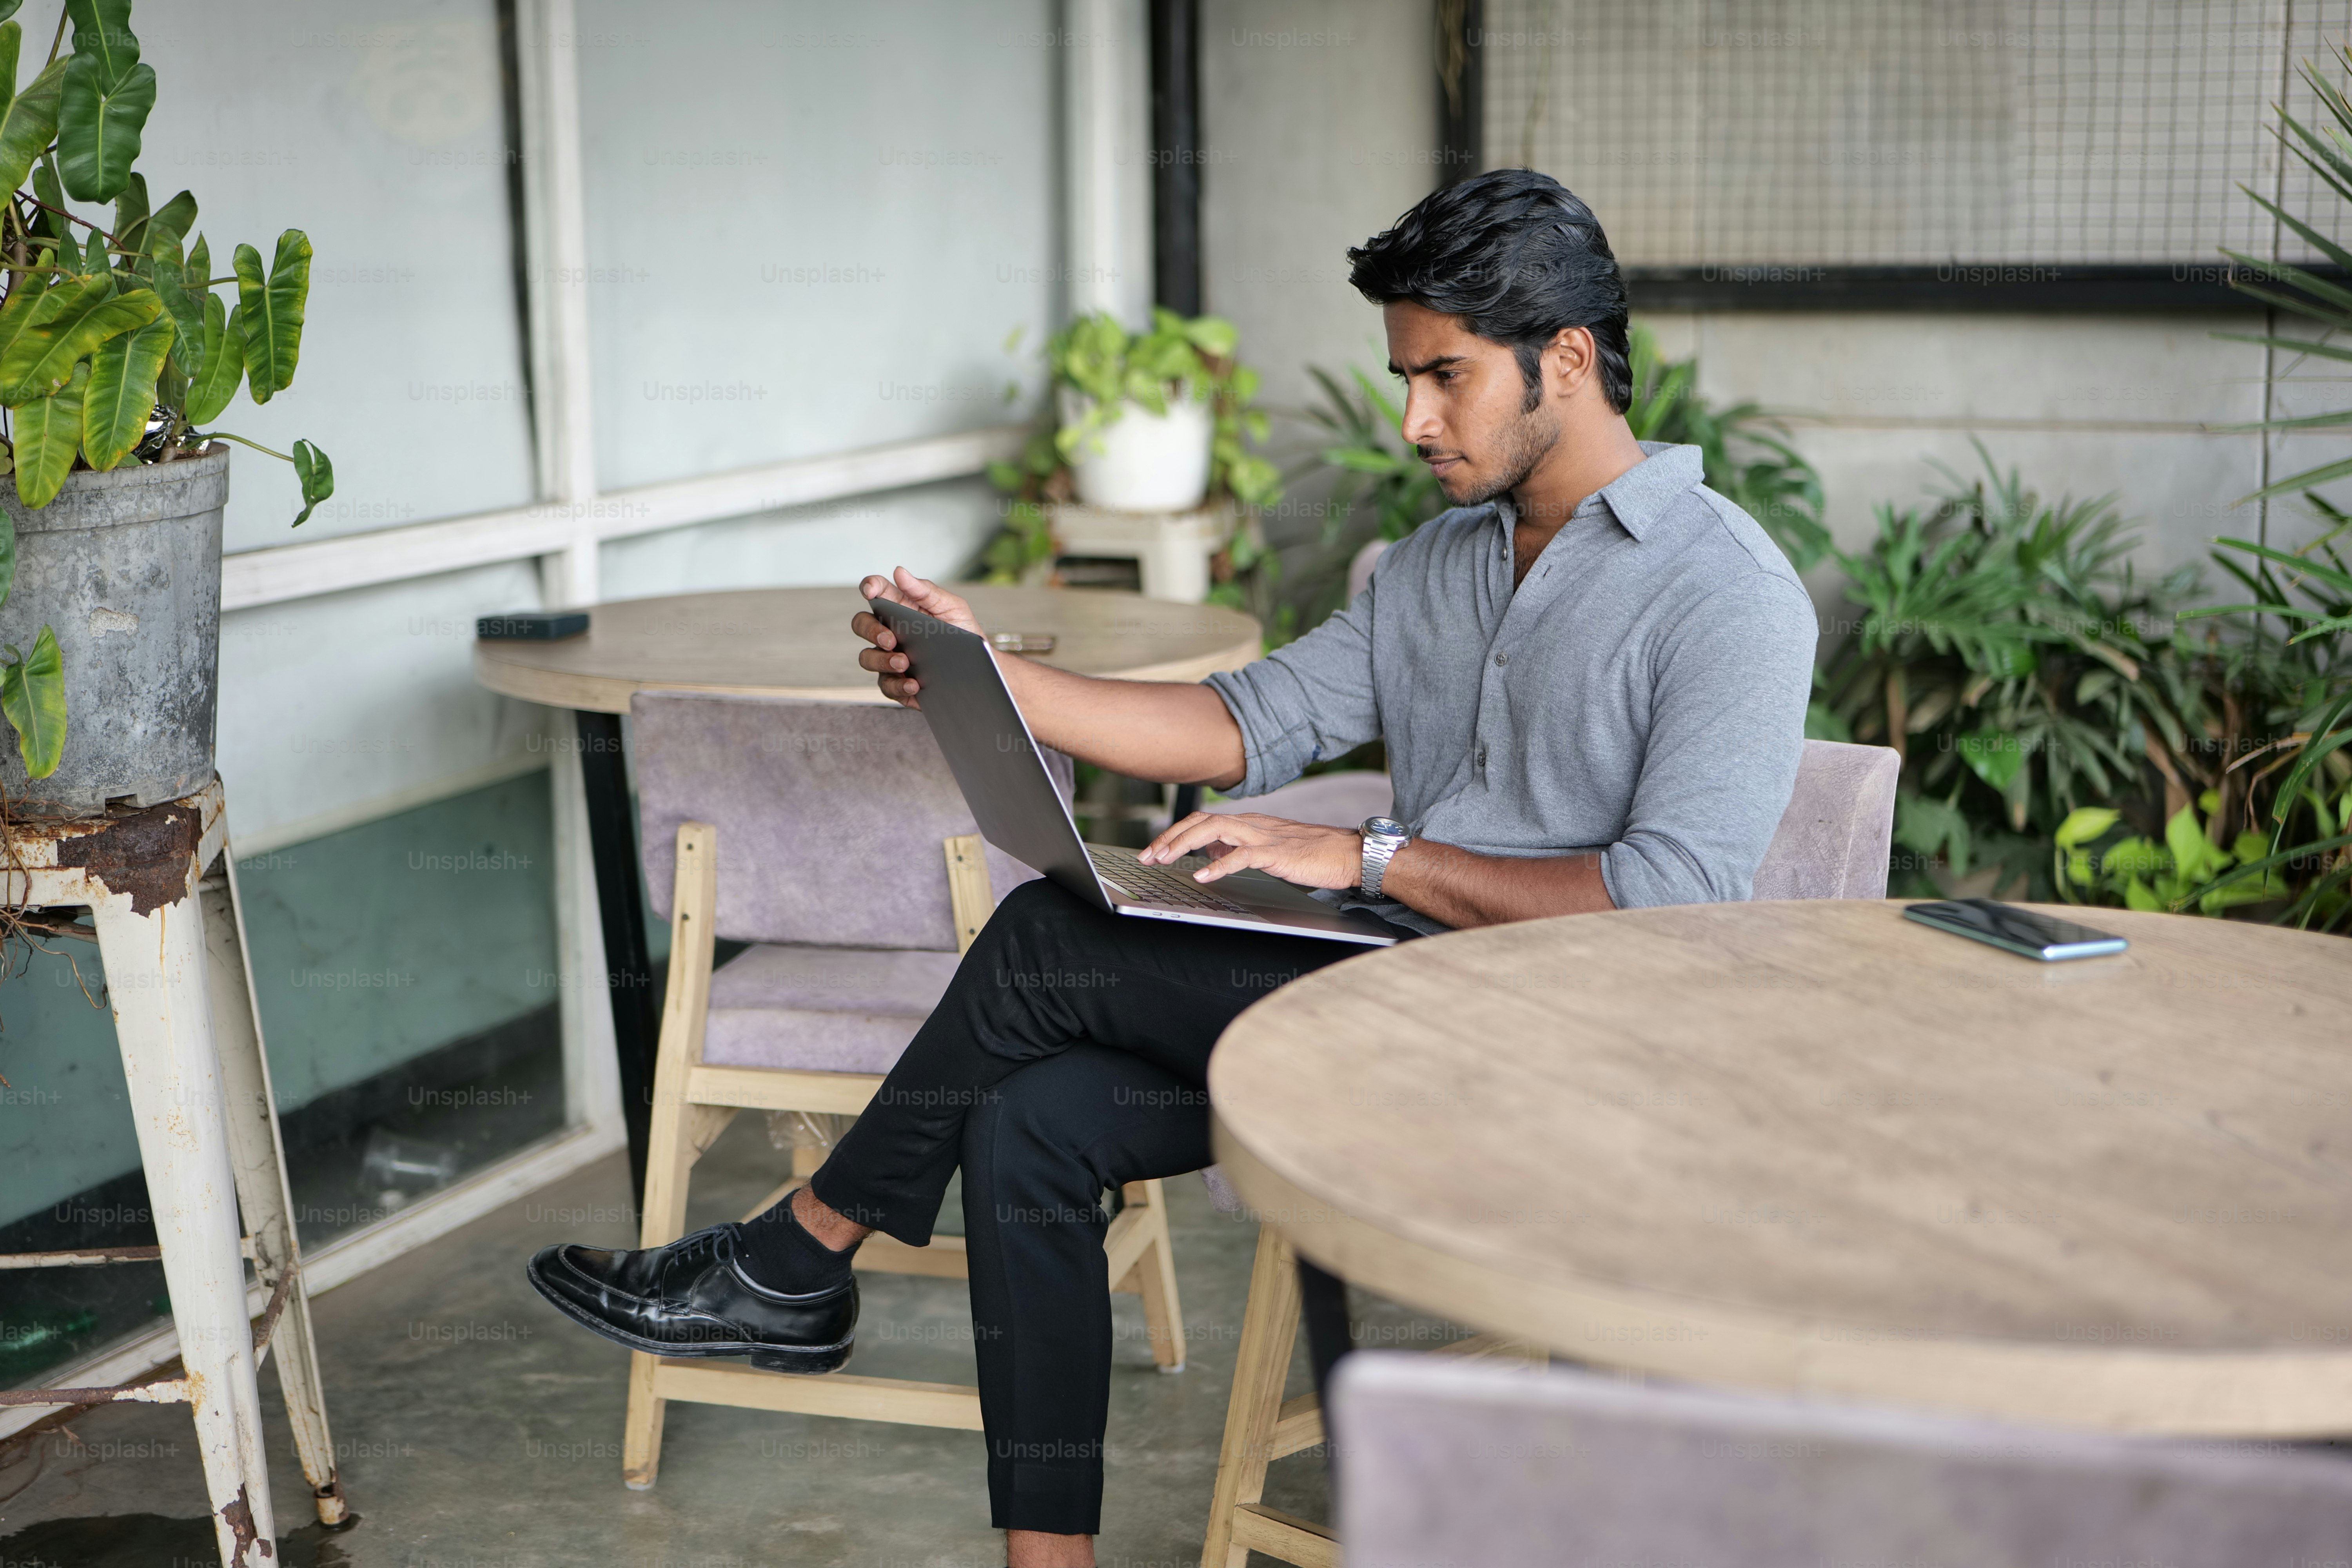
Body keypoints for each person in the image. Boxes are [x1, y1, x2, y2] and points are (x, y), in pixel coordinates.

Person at [526, 167, 1818, 1568]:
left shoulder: (1727, 591)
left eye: (1445, 377)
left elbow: (1672, 904)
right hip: (1371, 1008)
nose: (1413, 421)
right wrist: (989, 676)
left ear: (1566, 358)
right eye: (1403, 378)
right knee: (1026, 1121)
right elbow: (1238, 725)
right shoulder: (1437, 566)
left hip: (1553, 1056)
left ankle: (796, 1256)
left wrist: (1363, 850)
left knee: (1041, 945)